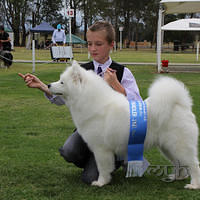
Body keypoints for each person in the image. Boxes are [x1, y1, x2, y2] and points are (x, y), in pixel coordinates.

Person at [18, 21, 142, 184]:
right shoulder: (81, 71)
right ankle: (97, 160)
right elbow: (64, 94)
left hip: (114, 135)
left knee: (89, 179)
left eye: (98, 44)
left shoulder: (123, 72)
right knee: (69, 151)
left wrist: (117, 86)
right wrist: (41, 86)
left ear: (111, 44)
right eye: (89, 44)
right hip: (88, 130)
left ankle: (118, 157)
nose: (93, 49)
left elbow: (137, 106)